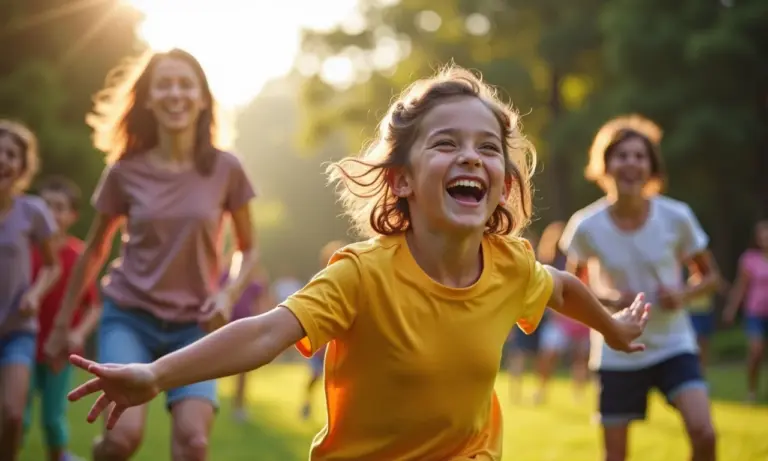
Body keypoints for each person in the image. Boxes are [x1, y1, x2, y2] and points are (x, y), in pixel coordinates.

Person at [68, 66, 649, 461]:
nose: (471, 156)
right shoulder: (362, 275)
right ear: (401, 181)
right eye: (446, 143)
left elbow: (561, 288)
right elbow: (265, 333)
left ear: (503, 183)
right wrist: (155, 375)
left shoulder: (511, 266)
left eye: (488, 148)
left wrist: (613, 326)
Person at [44, 48, 259, 461]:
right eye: (164, 85)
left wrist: (226, 295)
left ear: (202, 99)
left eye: (185, 85)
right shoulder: (124, 171)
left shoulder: (227, 169)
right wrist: (61, 325)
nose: (175, 94)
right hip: (130, 316)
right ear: (147, 99)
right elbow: (94, 250)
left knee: (194, 444)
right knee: (121, 440)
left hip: (195, 325)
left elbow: (249, 250)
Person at [560, 115, 719, 461]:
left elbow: (711, 278)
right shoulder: (585, 226)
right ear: (605, 165)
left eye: (639, 156)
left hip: (673, 344)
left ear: (651, 167)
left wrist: (683, 294)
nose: (631, 163)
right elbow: (571, 289)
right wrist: (613, 300)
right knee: (615, 456)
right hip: (617, 348)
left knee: (704, 433)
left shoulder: (677, 216)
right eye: (622, 155)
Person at [23, 177, 101, 461]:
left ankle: (58, 456)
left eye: (59, 207)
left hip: (60, 353)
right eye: (46, 206)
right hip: (23, 346)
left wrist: (78, 334)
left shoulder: (78, 256)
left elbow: (94, 308)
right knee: (16, 414)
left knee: (53, 418)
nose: (51, 213)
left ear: (73, 216)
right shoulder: (24, 250)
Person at [0, 120, 60, 461]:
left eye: (11, 155)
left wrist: (35, 294)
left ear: (23, 167)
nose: (2, 160)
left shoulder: (32, 211)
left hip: (17, 330)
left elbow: (53, 266)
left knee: (12, 415)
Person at [534, 221, 591, 404]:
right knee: (548, 355)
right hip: (558, 318)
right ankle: (541, 390)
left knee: (581, 358)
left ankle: (578, 394)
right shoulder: (551, 261)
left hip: (580, 318)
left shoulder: (582, 261)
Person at [219, 250, 270, 422]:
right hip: (225, 328)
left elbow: (261, 302)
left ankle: (239, 406)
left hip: (246, 329)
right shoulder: (226, 276)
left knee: (243, 371)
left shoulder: (254, 281)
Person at [301, 240, 347, 420]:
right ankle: (306, 404)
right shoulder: (319, 281)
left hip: (339, 342)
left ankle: (339, 415)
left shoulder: (349, 281)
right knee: (315, 376)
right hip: (320, 342)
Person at [723, 219, 768, 403]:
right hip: (755, 312)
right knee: (756, 352)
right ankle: (751, 390)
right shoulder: (749, 259)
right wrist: (731, 309)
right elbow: (741, 286)